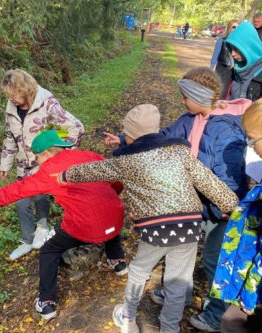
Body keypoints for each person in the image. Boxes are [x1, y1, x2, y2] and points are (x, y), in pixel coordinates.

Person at [55, 104, 239, 333]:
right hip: (189, 225)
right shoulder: (179, 152)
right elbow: (207, 180)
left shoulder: (126, 161)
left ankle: (128, 316)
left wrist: (66, 174)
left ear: (129, 135)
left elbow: (95, 170)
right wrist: (231, 204)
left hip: (157, 229)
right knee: (177, 282)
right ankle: (170, 328)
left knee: (139, 271)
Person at [103, 68, 250, 332]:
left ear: (199, 97)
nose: (182, 101)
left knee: (213, 260)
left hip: (219, 209)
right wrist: (127, 138)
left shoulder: (226, 129)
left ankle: (215, 314)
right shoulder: (189, 119)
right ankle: (179, 296)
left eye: (185, 97)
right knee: (183, 254)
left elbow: (230, 174)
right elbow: (161, 139)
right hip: (191, 204)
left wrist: (224, 207)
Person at [0, 130, 126, 320]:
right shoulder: (87, 155)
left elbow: (19, 189)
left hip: (87, 225)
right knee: (106, 217)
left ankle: (46, 303)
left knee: (49, 250)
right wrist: (113, 195)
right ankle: (118, 262)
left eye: (37, 157)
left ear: (46, 154)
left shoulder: (50, 171)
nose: (37, 161)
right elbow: (115, 176)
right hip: (116, 215)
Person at [0, 69, 84, 260]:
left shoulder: (46, 103)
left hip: (42, 160)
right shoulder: (11, 107)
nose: (11, 98)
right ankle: (27, 240)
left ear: (25, 89)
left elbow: (76, 127)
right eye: (8, 95)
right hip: (23, 162)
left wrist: (61, 153)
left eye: (14, 94)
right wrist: (5, 164)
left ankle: (43, 227)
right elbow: (9, 136)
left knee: (40, 193)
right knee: (21, 201)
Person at [211, 98, 262, 333]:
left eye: (252, 138)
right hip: (247, 275)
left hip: (254, 287)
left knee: (231, 323)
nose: (250, 145)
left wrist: (250, 295)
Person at [225, 21, 262, 101]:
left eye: (236, 49)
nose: (232, 54)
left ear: (249, 48)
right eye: (231, 49)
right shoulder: (234, 72)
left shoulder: (259, 76)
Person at [210, 19, 238, 98]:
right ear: (229, 28)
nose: (235, 29)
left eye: (237, 27)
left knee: (228, 91)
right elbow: (215, 55)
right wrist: (211, 69)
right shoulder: (221, 40)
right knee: (219, 88)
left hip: (233, 69)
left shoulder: (239, 42)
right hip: (222, 66)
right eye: (234, 27)